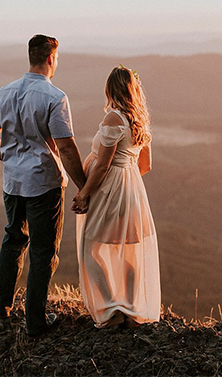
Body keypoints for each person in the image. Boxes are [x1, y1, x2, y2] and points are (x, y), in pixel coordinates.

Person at [0, 34, 86, 337]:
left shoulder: (2, 93)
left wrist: (11, 160)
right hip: (44, 184)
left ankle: (2, 307)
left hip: (13, 182)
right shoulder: (55, 98)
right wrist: (84, 187)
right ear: (51, 59)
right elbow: (65, 147)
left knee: (13, 240)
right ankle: (36, 322)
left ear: (31, 57)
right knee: (43, 252)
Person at [72, 66, 160, 329]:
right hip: (132, 188)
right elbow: (146, 165)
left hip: (111, 189)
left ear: (110, 89)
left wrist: (85, 193)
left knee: (90, 248)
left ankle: (111, 308)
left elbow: (103, 165)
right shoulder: (139, 120)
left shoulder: (114, 118)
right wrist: (128, 182)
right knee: (130, 248)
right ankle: (133, 310)